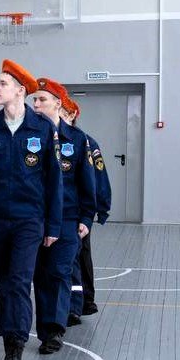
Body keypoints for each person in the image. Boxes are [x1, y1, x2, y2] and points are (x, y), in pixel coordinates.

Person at [0, 60, 62, 360]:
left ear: (20, 91)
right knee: (3, 285)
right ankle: (9, 342)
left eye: (3, 84)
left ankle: (14, 353)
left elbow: (54, 180)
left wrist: (53, 225)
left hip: (29, 220)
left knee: (20, 282)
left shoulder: (42, 128)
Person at [31, 78, 96, 354]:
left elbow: (87, 182)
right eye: (34, 100)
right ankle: (45, 328)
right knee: (40, 275)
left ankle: (54, 330)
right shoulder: (30, 137)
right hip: (37, 219)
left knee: (59, 272)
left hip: (68, 219)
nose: (36, 105)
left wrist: (87, 218)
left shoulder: (77, 140)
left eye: (42, 100)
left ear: (58, 103)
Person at [64, 97, 111, 320]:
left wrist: (100, 207)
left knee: (81, 255)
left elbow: (98, 176)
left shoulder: (86, 142)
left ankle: (85, 301)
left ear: (72, 115)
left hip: (79, 209)